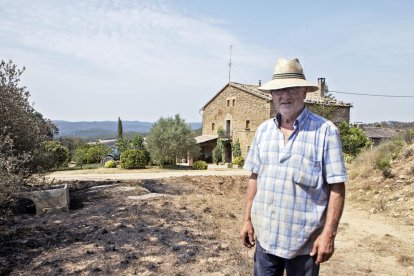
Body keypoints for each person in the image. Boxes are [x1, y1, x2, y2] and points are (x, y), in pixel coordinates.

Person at [240, 58, 347, 276]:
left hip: (304, 245)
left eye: (291, 89)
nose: (284, 95)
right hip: (266, 241)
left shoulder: (325, 131)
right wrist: (247, 220)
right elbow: (255, 178)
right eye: (278, 90)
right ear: (271, 95)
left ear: (304, 92)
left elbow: (337, 187)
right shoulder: (263, 131)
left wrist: (329, 234)